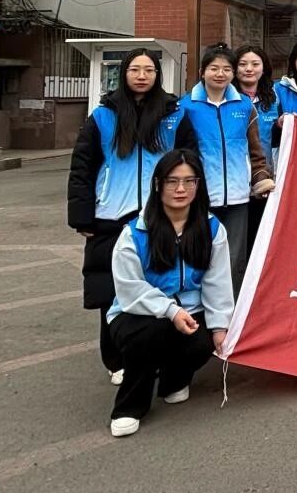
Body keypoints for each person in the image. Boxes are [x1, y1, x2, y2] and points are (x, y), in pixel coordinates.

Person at [68, 47, 196, 386]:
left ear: (158, 75)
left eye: (149, 70)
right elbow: (82, 167)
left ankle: (157, 355)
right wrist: (82, 216)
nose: (142, 76)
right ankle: (116, 359)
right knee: (110, 290)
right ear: (124, 73)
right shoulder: (103, 116)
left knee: (161, 287)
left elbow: (190, 163)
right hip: (111, 215)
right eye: (135, 69)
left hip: (161, 216)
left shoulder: (174, 114)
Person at [106, 149, 233, 438]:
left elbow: (217, 282)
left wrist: (220, 327)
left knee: (205, 340)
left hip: (189, 310)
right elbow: (129, 288)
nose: (180, 189)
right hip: (135, 313)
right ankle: (129, 407)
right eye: (172, 181)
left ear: (198, 185)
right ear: (157, 184)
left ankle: (173, 381)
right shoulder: (134, 233)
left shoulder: (212, 229)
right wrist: (170, 311)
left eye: (189, 181)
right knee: (152, 333)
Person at [180, 45, 273, 293]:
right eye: (214, 68)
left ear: (233, 73)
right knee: (200, 254)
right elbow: (180, 154)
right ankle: (198, 308)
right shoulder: (186, 106)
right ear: (202, 72)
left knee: (234, 259)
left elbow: (255, 151)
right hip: (200, 197)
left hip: (238, 197)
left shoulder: (244, 106)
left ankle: (231, 311)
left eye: (226, 69)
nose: (220, 74)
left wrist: (260, 177)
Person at [233, 45, 281, 257]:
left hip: (264, 179)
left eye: (255, 64)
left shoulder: (274, 99)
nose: (249, 69)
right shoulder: (228, 98)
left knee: (259, 239)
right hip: (236, 179)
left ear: (264, 68)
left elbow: (278, 138)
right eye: (243, 64)